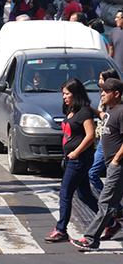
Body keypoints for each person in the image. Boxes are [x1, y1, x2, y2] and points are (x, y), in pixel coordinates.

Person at [71, 78, 123, 251]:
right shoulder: (110, 110)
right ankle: (108, 228)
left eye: (106, 91)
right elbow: (104, 117)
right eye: (101, 90)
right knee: (109, 204)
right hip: (113, 166)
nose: (102, 94)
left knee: (106, 204)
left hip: (118, 166)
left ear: (116, 94)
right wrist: (89, 110)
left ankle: (91, 239)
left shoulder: (122, 112)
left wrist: (116, 160)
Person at [45, 78, 99, 242]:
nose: (64, 97)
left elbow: (90, 135)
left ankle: (61, 230)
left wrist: (76, 152)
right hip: (72, 159)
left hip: (80, 159)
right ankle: (110, 221)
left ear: (76, 94)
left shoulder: (84, 112)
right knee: (84, 195)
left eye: (67, 94)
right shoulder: (72, 110)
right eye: (63, 94)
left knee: (65, 193)